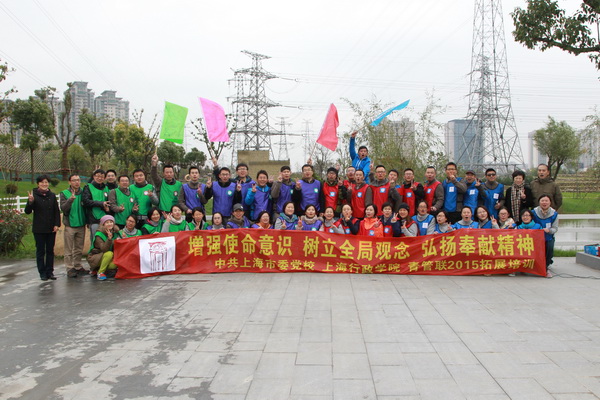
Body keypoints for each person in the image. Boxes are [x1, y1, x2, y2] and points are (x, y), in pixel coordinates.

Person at [25, 175, 61, 281]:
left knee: (50, 250)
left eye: (46, 182)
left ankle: (50, 272)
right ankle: (42, 273)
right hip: (39, 228)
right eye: (42, 182)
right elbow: (27, 211)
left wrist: (56, 224)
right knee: (40, 251)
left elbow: (56, 211)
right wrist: (30, 202)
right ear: (38, 184)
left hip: (51, 228)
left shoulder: (52, 195)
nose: (44, 184)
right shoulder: (34, 195)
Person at [59, 174, 88, 278]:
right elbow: (63, 208)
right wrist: (70, 200)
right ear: (69, 182)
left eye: (78, 180)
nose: (77, 182)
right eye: (74, 180)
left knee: (79, 248)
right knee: (68, 248)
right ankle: (69, 267)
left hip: (81, 224)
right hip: (70, 225)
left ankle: (78, 265)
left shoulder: (84, 192)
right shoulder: (64, 193)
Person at [532, 194, 559, 278]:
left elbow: (555, 228)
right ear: (539, 202)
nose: (544, 202)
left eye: (546, 201)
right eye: (542, 201)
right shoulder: (533, 212)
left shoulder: (554, 214)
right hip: (536, 237)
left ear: (550, 202)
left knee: (549, 249)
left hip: (548, 236)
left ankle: (546, 267)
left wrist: (549, 230)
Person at [87, 215, 119, 280]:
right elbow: (104, 249)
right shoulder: (99, 235)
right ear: (103, 224)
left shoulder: (115, 232)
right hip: (96, 257)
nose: (109, 224)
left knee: (115, 264)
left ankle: (97, 269)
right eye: (107, 222)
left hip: (105, 257)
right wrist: (109, 239)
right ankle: (100, 272)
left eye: (111, 222)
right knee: (109, 254)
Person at [82, 168, 110, 240]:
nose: (99, 178)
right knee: (95, 238)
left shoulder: (106, 188)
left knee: (105, 237)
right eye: (97, 176)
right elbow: (86, 201)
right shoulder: (88, 187)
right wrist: (101, 203)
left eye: (102, 177)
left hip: (105, 218)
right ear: (94, 176)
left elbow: (109, 201)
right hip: (93, 218)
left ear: (104, 178)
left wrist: (107, 209)